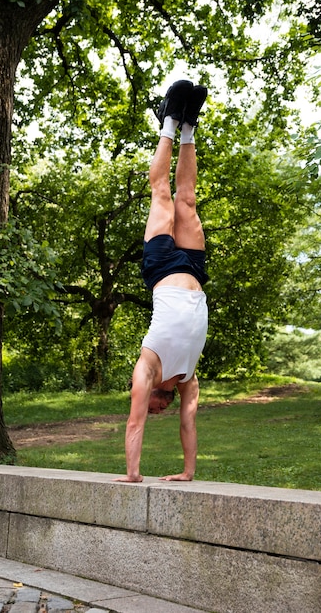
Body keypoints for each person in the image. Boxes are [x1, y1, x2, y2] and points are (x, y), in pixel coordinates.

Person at [114, 79, 209, 483]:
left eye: (152, 408)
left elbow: (134, 424)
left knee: (161, 194)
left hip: (160, 267)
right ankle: (189, 125)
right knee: (186, 197)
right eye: (157, 410)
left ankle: (169, 119)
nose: (155, 412)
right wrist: (188, 472)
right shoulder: (188, 380)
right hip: (193, 270)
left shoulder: (147, 368)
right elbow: (188, 424)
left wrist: (132, 475)